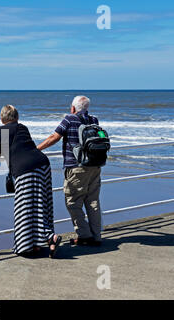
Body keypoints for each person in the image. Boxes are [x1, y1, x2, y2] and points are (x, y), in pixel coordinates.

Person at [0, 105, 62, 258]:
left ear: (2, 119)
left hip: (25, 169)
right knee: (42, 204)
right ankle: (48, 240)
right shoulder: (23, 127)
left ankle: (28, 246)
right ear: (17, 118)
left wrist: (0, 153)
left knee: (25, 207)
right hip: (43, 164)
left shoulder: (0, 131)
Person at [37, 96, 102, 246]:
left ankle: (85, 235)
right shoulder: (94, 120)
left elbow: (55, 137)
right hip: (94, 166)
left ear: (73, 108)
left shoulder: (69, 119)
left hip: (76, 167)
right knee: (93, 202)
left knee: (73, 202)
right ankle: (96, 236)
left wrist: (37, 149)